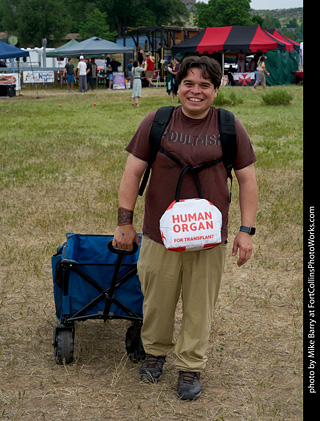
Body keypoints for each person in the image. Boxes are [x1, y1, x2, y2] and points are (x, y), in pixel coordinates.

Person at [112, 55, 258, 400]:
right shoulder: (157, 121)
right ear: (177, 87)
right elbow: (132, 173)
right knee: (157, 301)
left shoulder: (229, 126)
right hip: (159, 236)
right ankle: (154, 354)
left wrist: (246, 230)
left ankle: (190, 366)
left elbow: (247, 180)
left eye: (204, 85)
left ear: (216, 90)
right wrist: (124, 224)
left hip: (208, 239)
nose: (196, 91)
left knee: (199, 304)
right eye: (188, 84)